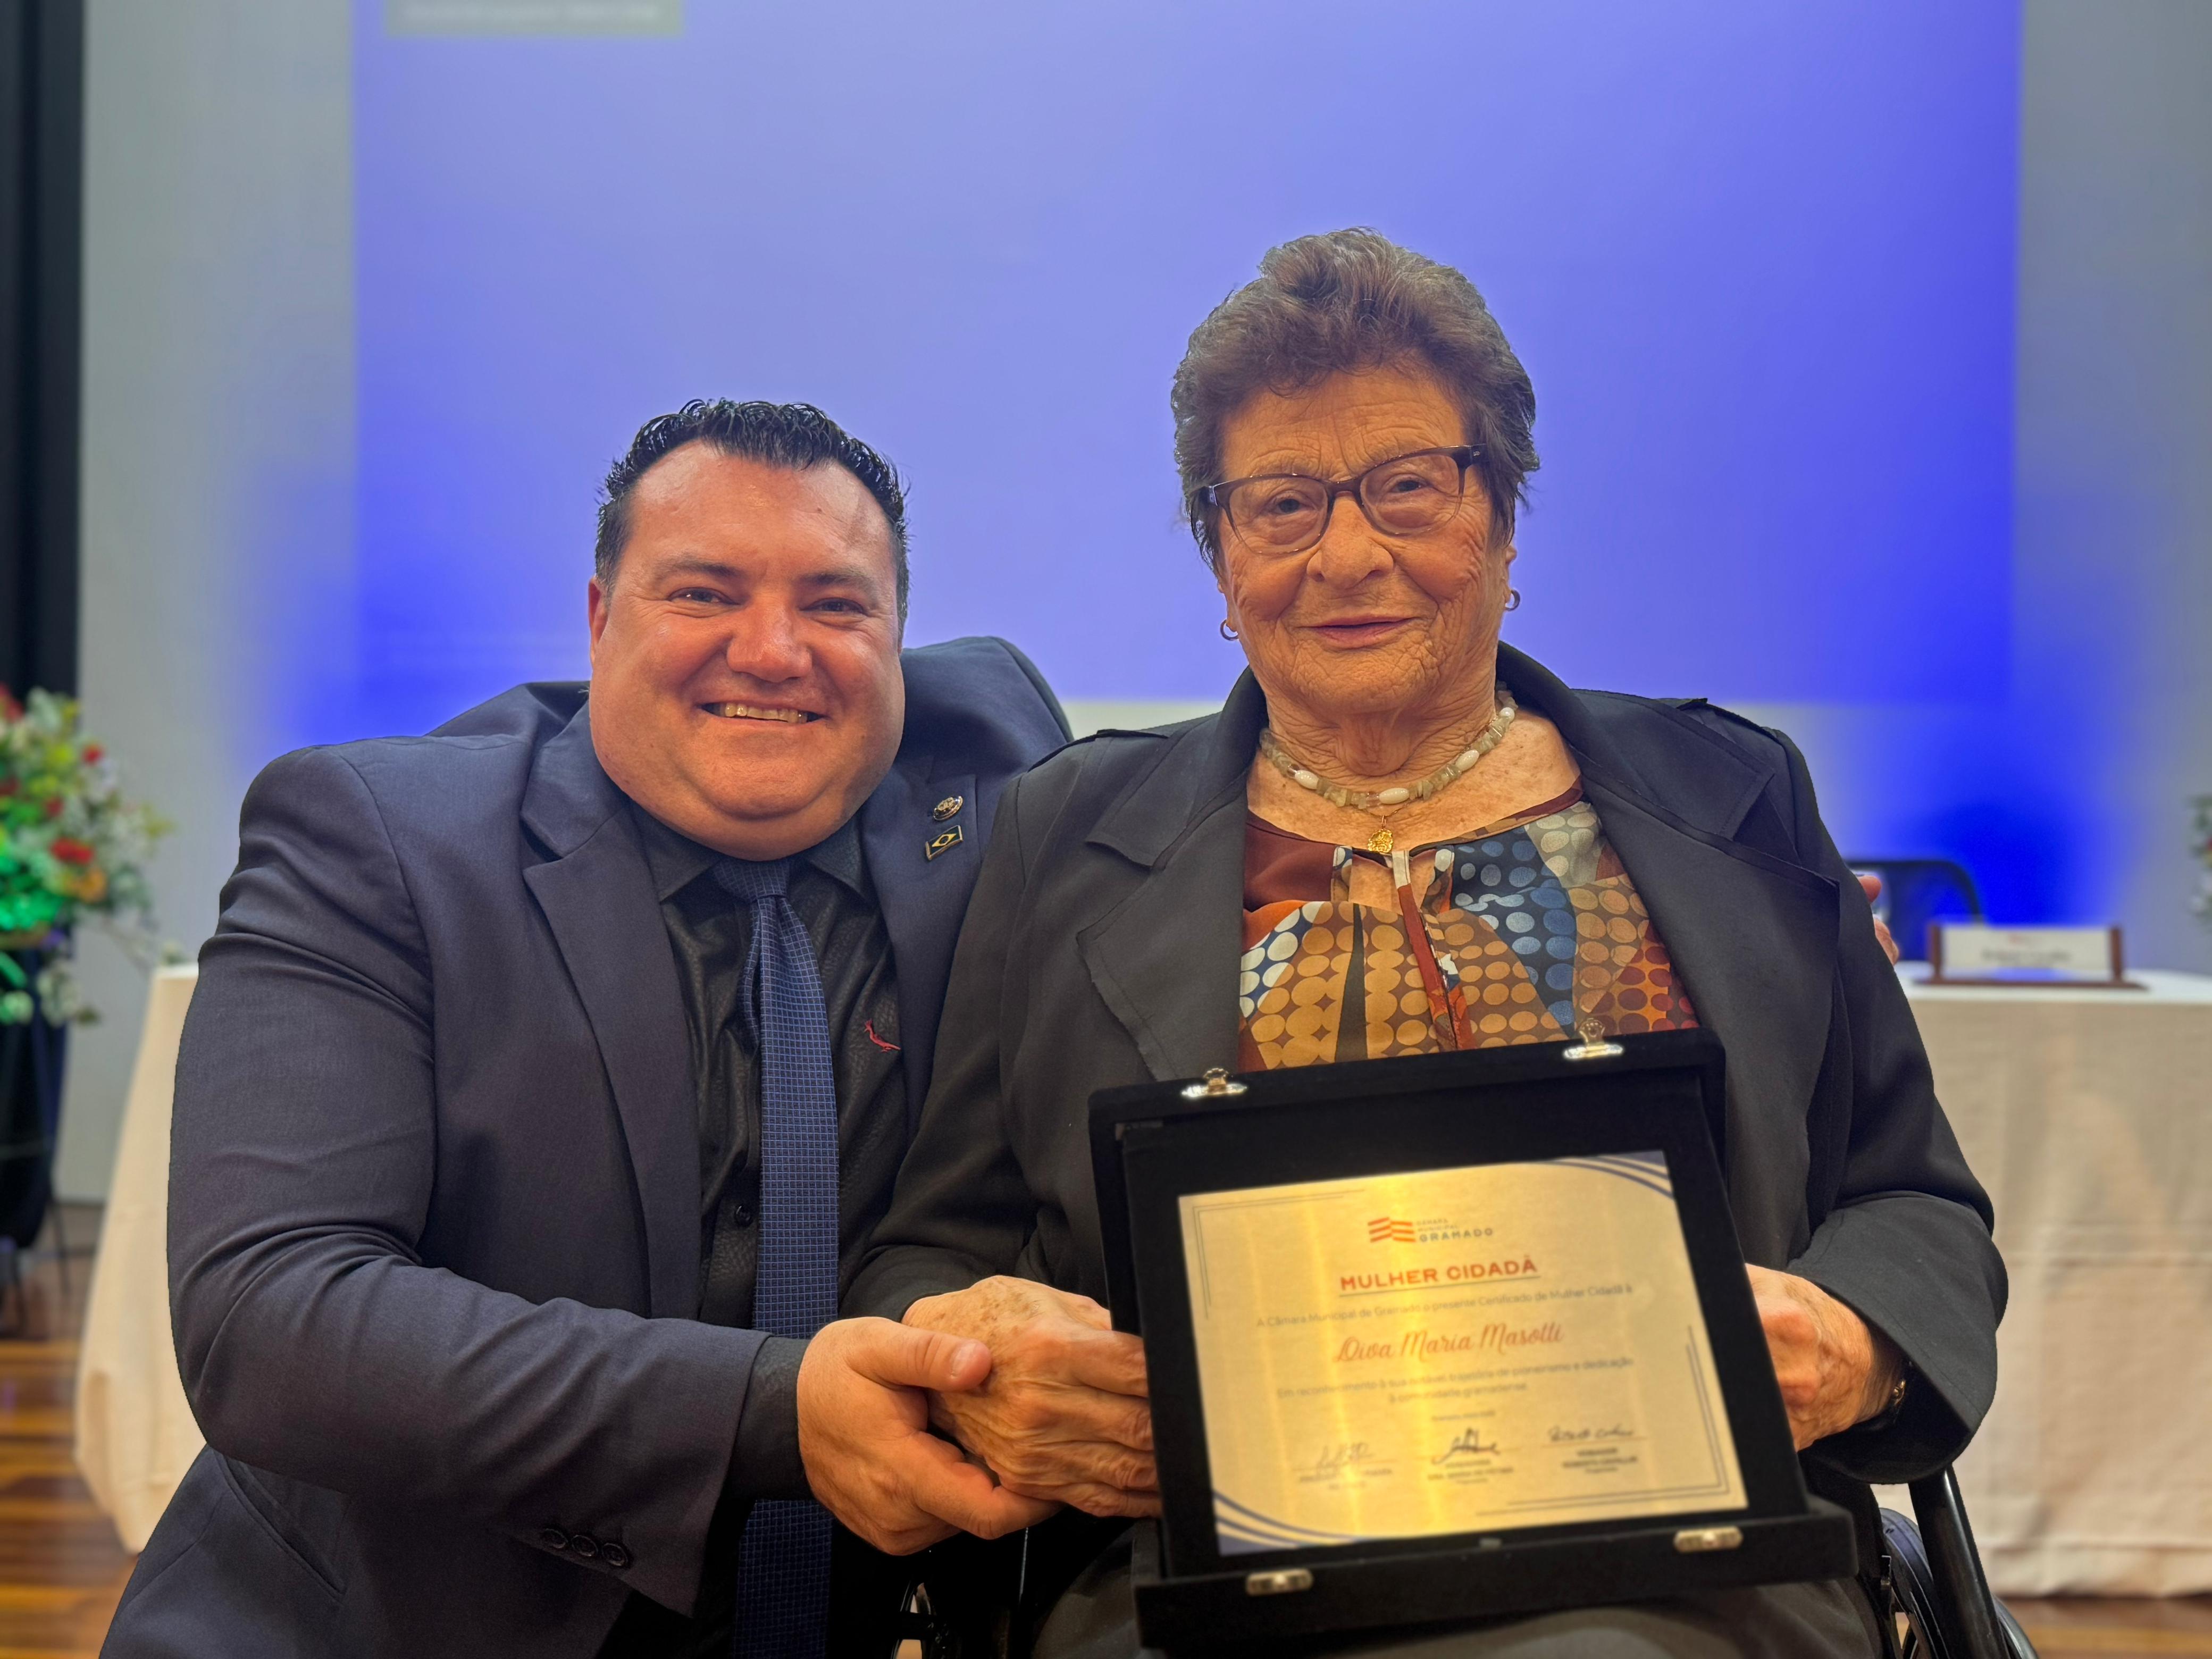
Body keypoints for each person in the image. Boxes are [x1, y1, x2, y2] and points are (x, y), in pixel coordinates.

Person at [851, 231, 2005, 1656]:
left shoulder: (1734, 798)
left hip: (1686, 1563)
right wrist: (983, 1349)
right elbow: (931, 1247)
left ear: (1504, 525)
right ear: (1221, 555)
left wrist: (1853, 1341)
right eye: (1282, 504)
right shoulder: (1063, 834)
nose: (1348, 553)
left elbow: (1911, 1201)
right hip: (1202, 1574)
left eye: (1408, 485)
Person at [105, 400, 1066, 1658]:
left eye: (836, 605)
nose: (773, 651)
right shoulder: (378, 844)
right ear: (601, 617)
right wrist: (766, 1413)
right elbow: (269, 1321)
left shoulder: (995, 797)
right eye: (703, 594)